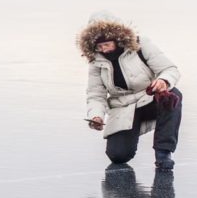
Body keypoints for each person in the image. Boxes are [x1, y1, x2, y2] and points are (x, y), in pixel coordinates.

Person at [76, 13, 183, 169]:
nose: (103, 50)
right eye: (98, 47)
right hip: (123, 108)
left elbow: (169, 69)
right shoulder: (96, 61)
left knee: (173, 96)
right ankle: (128, 138)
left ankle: (163, 153)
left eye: (106, 44)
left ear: (118, 38)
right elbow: (95, 94)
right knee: (118, 156)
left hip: (148, 98)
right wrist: (96, 115)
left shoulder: (141, 45)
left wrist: (163, 81)